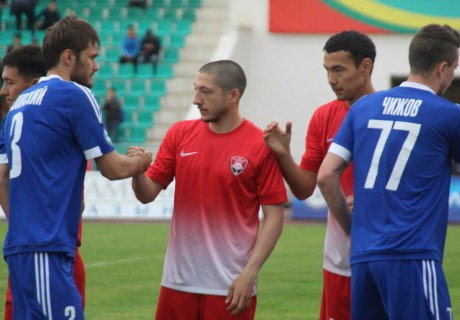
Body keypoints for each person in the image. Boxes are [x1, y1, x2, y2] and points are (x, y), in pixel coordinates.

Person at [0, 16, 152, 320]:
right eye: (92, 57)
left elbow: (2, 176)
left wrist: (23, 222)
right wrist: (142, 161)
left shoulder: (20, 103)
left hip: (24, 244)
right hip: (47, 246)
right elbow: (112, 168)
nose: (96, 66)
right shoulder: (73, 94)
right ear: (69, 57)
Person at [317, 23, 459, 319]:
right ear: (443, 67)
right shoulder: (449, 114)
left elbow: (326, 175)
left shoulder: (363, 107)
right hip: (413, 257)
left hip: (364, 260)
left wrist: (351, 230)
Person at [131, 60, 287, 320]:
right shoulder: (179, 134)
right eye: (195, 89)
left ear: (233, 95)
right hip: (178, 281)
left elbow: (275, 218)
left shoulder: (261, 145)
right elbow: (147, 194)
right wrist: (137, 171)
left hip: (231, 287)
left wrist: (250, 273)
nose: (196, 99)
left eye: (205, 91)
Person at [264, 30, 376, 320]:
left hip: (386, 254)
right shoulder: (324, 116)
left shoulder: (392, 112)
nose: (330, 80)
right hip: (339, 260)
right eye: (327, 70)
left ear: (366, 67)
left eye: (338, 70)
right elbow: (303, 189)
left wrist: (371, 201)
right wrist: (283, 155)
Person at [0, 44, 88, 319]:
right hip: (49, 247)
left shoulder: (20, 121)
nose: (4, 91)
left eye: (9, 82)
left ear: (35, 83)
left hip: (37, 248)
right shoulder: (64, 115)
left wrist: (21, 224)